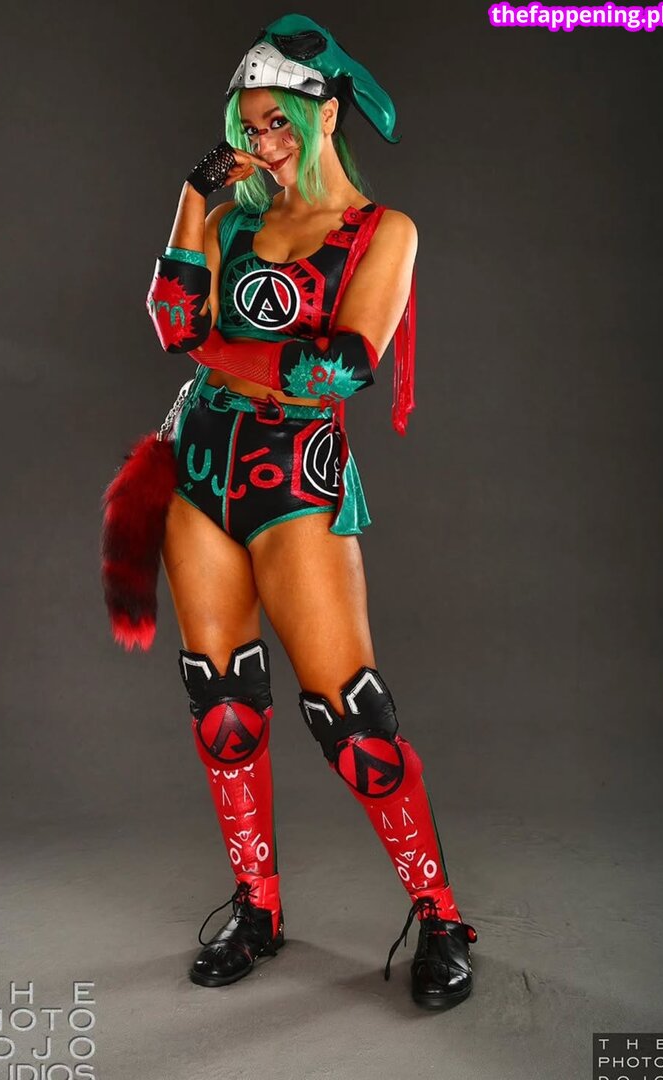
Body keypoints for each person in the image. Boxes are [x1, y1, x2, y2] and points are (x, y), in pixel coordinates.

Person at [127, 14, 477, 1010]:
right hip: (200, 467)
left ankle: (440, 915)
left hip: (296, 476)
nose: (261, 144)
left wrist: (212, 348)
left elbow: (340, 367)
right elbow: (168, 317)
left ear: (325, 115)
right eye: (246, 127)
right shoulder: (231, 216)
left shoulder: (381, 232)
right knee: (223, 706)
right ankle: (258, 906)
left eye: (277, 122)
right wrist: (191, 201)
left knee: (352, 718)